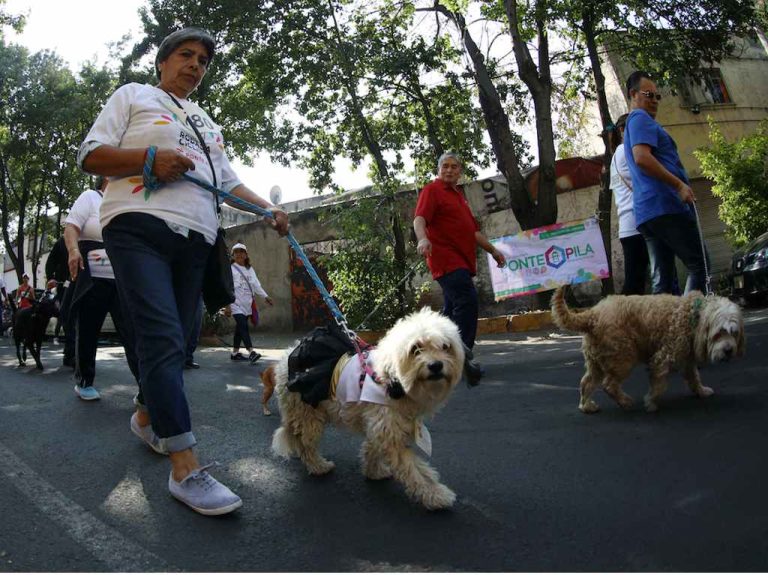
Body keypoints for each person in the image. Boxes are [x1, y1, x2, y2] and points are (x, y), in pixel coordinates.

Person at [77, 27, 289, 516]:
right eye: (186, 55)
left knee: (182, 340)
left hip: (197, 239)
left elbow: (229, 182)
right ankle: (186, 467)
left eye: (203, 61)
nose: (195, 65)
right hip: (137, 226)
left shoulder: (206, 121)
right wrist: (149, 157)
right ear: (164, 61)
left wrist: (267, 211)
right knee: (161, 336)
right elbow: (91, 155)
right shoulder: (134, 96)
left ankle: (147, 414)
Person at [413, 152, 506, 385]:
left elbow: (473, 232)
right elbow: (419, 219)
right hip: (446, 259)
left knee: (450, 311)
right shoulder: (432, 191)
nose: (450, 170)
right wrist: (423, 239)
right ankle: (462, 358)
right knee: (467, 300)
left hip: (462, 261)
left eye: (455, 167)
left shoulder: (459, 197)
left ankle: (425, 349)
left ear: (460, 171)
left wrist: (493, 251)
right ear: (439, 169)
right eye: (445, 166)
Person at [623, 70, 710, 295]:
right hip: (666, 205)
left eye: (657, 96)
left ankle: (662, 329)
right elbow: (642, 157)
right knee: (700, 265)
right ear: (633, 94)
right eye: (648, 95)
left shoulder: (634, 123)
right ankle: (691, 323)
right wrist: (679, 185)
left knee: (662, 281)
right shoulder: (639, 118)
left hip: (649, 212)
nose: (654, 101)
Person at [63, 176, 140, 401]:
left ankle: (147, 386)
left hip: (121, 280)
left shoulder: (127, 204)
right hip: (93, 279)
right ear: (107, 176)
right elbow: (71, 227)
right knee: (87, 330)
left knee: (132, 332)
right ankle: (84, 381)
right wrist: (73, 250)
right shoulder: (90, 197)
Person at [610, 113, 649, 295]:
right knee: (635, 286)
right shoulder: (627, 151)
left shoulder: (615, 156)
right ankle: (619, 320)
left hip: (628, 225)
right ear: (623, 130)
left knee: (636, 282)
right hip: (638, 222)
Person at [224, 242, 273, 364]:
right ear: (233, 255)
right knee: (243, 326)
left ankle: (235, 353)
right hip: (235, 304)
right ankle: (251, 352)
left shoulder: (250, 269)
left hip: (247, 305)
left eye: (242, 252)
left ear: (246, 255)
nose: (239, 254)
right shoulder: (230, 269)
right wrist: (227, 306)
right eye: (236, 252)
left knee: (240, 329)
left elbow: (256, 285)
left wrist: (265, 296)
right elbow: (226, 287)